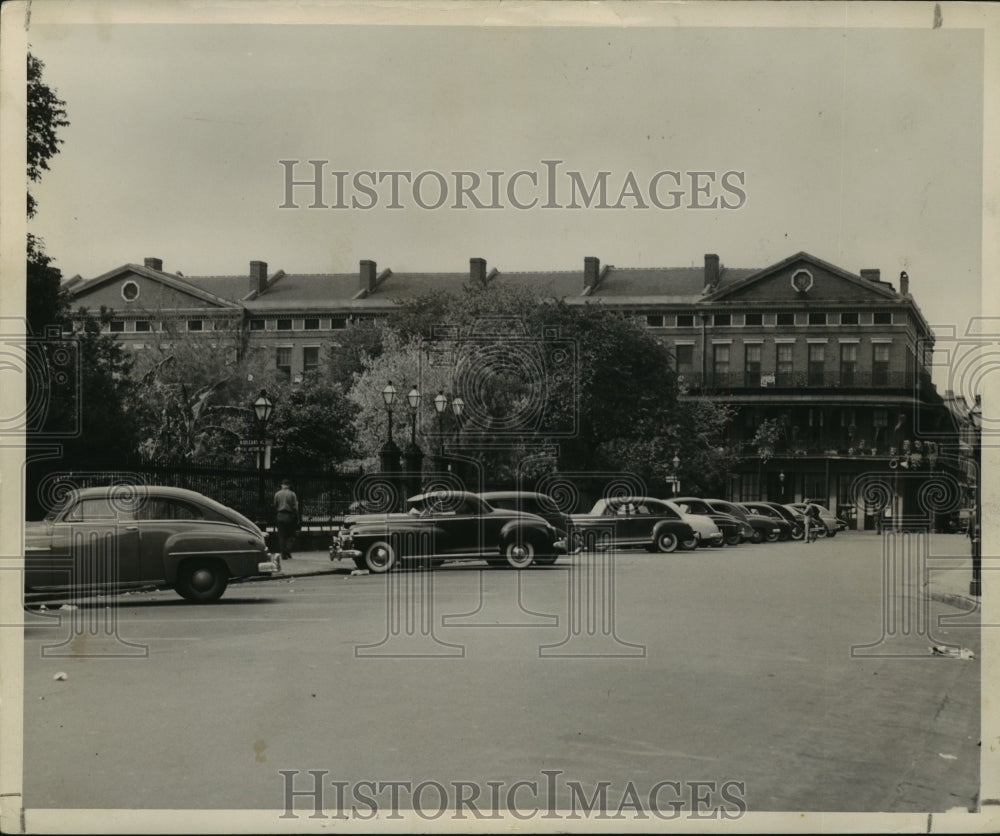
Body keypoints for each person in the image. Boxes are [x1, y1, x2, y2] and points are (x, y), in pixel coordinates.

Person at [273, 479, 299, 560]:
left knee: (281, 536)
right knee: (291, 535)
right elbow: (295, 507)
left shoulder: (277, 494)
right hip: (289, 516)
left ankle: (283, 553)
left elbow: (275, 505)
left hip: (280, 515)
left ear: (282, 485)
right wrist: (296, 516)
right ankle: (287, 550)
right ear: (289, 485)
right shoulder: (292, 494)